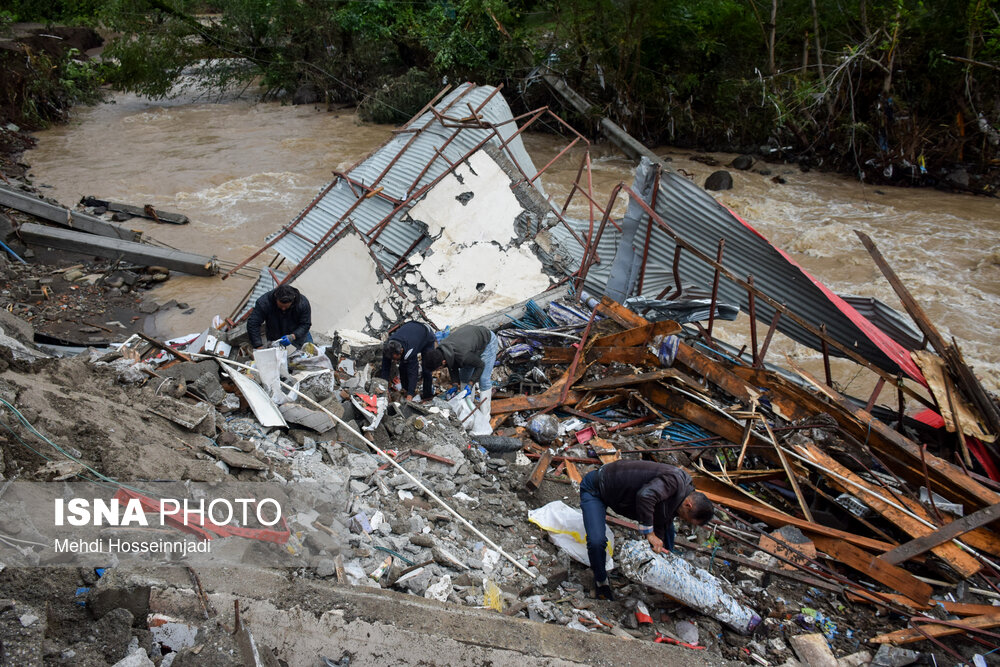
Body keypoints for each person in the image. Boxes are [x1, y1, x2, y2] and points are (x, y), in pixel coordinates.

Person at [579, 460, 714, 600]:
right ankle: (601, 583)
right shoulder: (674, 480)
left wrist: (657, 549)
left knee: (667, 536)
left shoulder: (678, 500)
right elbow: (646, 495)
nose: (683, 520)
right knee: (596, 541)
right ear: (688, 505)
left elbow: (661, 521)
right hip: (595, 489)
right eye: (686, 518)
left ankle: (663, 580)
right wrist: (649, 534)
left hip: (617, 496)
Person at [424, 324, 498, 393]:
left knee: (483, 380)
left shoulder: (463, 356)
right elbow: (452, 365)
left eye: (438, 368)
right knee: (464, 378)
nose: (439, 370)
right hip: (470, 344)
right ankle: (467, 405)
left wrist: (471, 384)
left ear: (443, 362)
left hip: (487, 340)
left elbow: (480, 365)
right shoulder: (443, 351)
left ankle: (485, 407)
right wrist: (455, 384)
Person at [380, 321, 437, 401]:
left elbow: (413, 372)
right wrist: (384, 388)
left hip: (426, 336)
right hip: (411, 329)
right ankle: (405, 390)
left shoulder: (410, 350)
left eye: (396, 359)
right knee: (402, 366)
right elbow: (385, 369)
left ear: (401, 351)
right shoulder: (388, 348)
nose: (395, 361)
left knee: (426, 369)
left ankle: (427, 396)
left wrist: (410, 394)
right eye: (393, 359)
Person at [247, 284, 312, 350]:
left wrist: (293, 336)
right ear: (276, 298)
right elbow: (253, 323)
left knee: (310, 353)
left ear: (292, 301)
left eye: (286, 307)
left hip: (298, 332)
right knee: (276, 358)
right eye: (281, 306)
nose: (283, 309)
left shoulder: (302, 303)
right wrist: (258, 345)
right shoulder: (264, 303)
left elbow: (305, 324)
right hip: (275, 334)